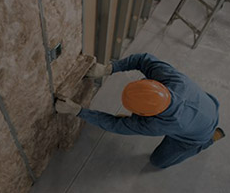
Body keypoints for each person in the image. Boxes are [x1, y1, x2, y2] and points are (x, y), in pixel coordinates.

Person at [55, 53, 225, 168]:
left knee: (157, 161)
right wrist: (108, 69)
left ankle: (209, 140)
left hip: (196, 136)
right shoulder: (171, 78)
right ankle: (134, 121)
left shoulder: (158, 125)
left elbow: (114, 125)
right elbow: (143, 59)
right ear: (155, 84)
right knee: (133, 123)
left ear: (148, 116)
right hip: (209, 107)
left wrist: (77, 110)